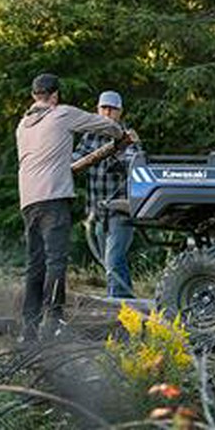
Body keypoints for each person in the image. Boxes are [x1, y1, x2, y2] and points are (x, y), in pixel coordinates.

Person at [16, 73, 126, 342]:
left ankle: (28, 328)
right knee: (56, 262)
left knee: (35, 265)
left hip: (28, 201)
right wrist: (120, 134)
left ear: (34, 96)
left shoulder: (22, 125)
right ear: (55, 95)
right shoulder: (61, 113)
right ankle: (53, 322)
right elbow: (103, 124)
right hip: (53, 199)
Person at [73, 90, 140, 299]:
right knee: (109, 263)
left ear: (120, 112)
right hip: (97, 211)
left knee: (113, 261)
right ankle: (128, 308)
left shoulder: (127, 137)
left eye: (112, 109)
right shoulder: (89, 136)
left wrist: (114, 157)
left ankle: (116, 307)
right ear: (97, 109)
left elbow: (133, 164)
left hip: (121, 210)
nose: (107, 112)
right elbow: (76, 159)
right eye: (104, 108)